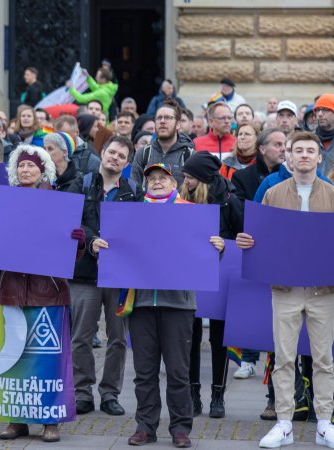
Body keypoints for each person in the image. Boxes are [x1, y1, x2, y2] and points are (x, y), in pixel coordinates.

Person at [96, 163, 224, 448]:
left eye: (162, 178)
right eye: (151, 178)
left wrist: (217, 248)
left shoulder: (190, 213)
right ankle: (145, 426)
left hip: (178, 304)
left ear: (173, 183)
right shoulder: (130, 215)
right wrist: (101, 247)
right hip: (140, 302)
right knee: (144, 371)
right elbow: (115, 250)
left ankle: (180, 428)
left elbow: (205, 261)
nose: (156, 182)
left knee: (178, 371)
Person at [242, 132, 334, 449]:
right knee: (283, 358)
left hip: (324, 290)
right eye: (299, 151)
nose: (305, 155)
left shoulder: (333, 195)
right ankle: (284, 424)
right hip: (285, 288)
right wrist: (248, 242)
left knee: (324, 359)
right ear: (289, 157)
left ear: (320, 157)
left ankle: (325, 423)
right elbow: (259, 235)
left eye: (311, 150)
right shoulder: (274, 192)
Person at [0, 144, 84, 443]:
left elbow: (72, 255)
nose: (25, 170)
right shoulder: (4, 203)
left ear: (42, 169)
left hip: (50, 292)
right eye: (20, 165)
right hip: (12, 291)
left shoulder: (58, 203)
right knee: (14, 358)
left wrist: (78, 241)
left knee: (48, 360)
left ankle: (51, 421)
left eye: (31, 165)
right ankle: (16, 420)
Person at [72, 136, 142, 417]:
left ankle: (110, 393)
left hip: (119, 276)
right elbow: (71, 220)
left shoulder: (134, 191)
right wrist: (91, 241)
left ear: (127, 163)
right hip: (85, 273)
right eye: (111, 152)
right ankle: (82, 392)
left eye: (121, 156)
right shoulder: (83, 184)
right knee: (81, 336)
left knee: (117, 338)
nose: (115, 158)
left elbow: (140, 229)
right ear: (102, 152)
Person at [180, 152, 243, 419]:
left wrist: (223, 243)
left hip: (220, 276)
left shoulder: (230, 201)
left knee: (218, 338)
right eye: (184, 176)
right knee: (190, 338)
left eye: (190, 177)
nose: (186, 181)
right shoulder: (182, 200)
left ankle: (218, 394)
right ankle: (193, 394)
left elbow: (243, 238)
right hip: (190, 275)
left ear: (204, 179)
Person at [131, 100, 195, 189]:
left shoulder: (190, 155)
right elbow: (135, 189)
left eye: (168, 118)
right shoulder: (143, 153)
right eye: (159, 118)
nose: (162, 121)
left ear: (178, 124)